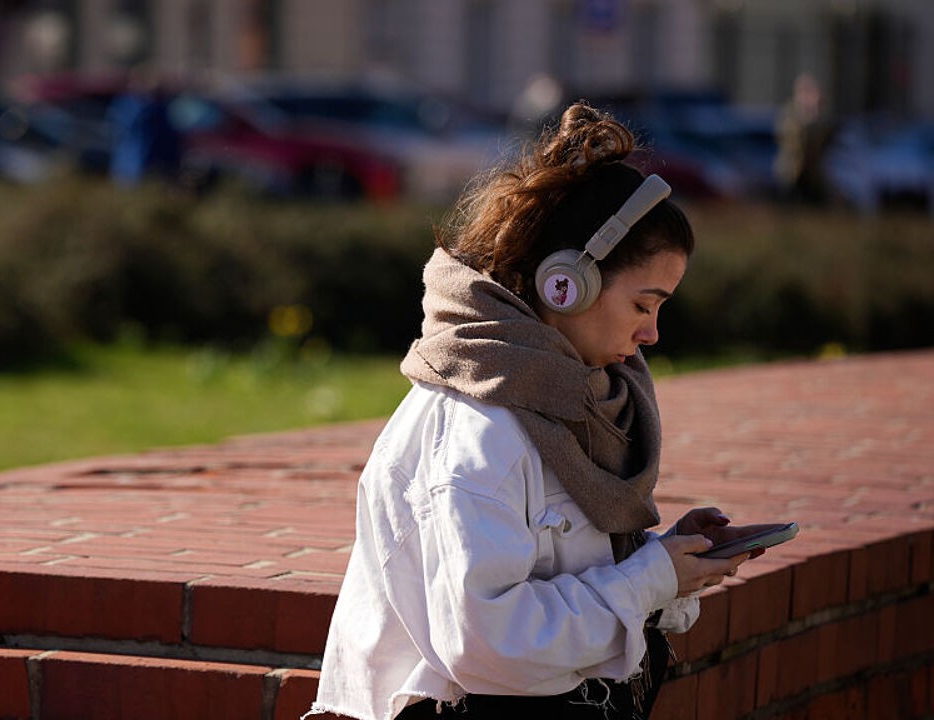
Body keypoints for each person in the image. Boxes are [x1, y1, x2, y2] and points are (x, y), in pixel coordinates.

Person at [310, 103, 774, 720]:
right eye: (644, 304)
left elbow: (559, 575)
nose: (652, 334)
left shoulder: (569, 399)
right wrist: (645, 580)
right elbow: (487, 643)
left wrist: (666, 567)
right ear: (567, 283)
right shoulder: (482, 429)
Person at [105, 68, 182, 187]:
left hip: (158, 165)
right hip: (132, 166)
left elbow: (170, 136)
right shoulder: (131, 104)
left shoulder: (160, 106)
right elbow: (127, 127)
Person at [774, 73, 834, 205]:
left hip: (812, 174)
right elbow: (790, 140)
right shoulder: (790, 115)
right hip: (791, 173)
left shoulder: (819, 118)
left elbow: (823, 143)